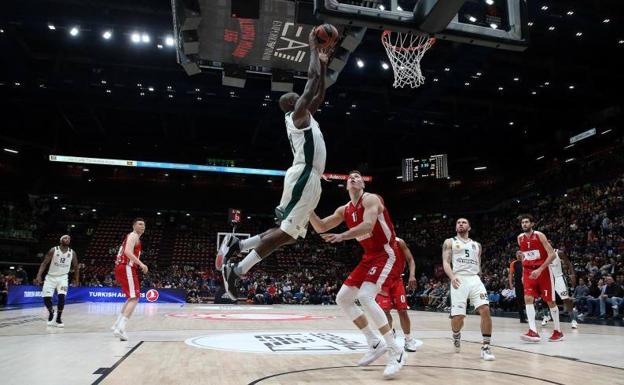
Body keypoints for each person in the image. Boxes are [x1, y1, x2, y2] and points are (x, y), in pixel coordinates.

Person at [217, 30, 329, 301]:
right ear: (293, 103)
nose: (305, 98)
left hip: (310, 177)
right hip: (303, 175)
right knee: (286, 232)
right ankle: (238, 269)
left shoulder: (306, 115)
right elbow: (312, 83)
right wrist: (313, 48)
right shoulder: (298, 116)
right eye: (299, 97)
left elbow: (320, 92)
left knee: (291, 236)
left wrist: (324, 64)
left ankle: (239, 246)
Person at [308, 171, 406, 379]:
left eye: (357, 176)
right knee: (343, 298)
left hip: (386, 253)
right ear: (346, 186)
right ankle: (373, 341)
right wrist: (307, 209)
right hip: (369, 256)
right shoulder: (344, 210)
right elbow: (321, 226)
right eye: (349, 177)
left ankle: (396, 349)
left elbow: (368, 225)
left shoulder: (371, 199)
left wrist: (342, 235)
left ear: (362, 184)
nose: (353, 178)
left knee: (365, 296)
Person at [442, 218, 495, 361]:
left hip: (474, 279)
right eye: (458, 222)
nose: (460, 224)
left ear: (469, 227)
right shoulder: (450, 242)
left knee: (485, 309)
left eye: (464, 222)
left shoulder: (477, 245)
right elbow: (446, 262)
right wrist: (452, 277)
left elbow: (479, 264)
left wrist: (480, 277)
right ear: (455, 227)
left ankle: (486, 347)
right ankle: (456, 334)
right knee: (459, 317)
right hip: (459, 278)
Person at [517, 214, 563, 342]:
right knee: (528, 298)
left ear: (532, 224)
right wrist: (522, 274)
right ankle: (533, 331)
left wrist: (540, 269)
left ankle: (558, 331)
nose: (524, 224)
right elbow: (524, 256)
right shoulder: (520, 238)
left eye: (527, 222)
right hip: (528, 272)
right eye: (522, 223)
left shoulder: (540, 235)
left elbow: (552, 255)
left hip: (543, 271)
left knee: (550, 302)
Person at [375, 237, 419, 352]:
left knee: (403, 311)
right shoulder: (376, 242)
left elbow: (411, 260)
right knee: (384, 312)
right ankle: (390, 335)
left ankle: (408, 339)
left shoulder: (399, 242)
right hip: (382, 282)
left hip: (396, 281)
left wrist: (412, 275)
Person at [111, 218, 148, 341]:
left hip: (121, 267)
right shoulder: (133, 235)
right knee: (135, 298)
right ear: (134, 225)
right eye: (140, 224)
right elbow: (127, 252)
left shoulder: (133, 236)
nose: (142, 226)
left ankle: (117, 324)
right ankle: (120, 328)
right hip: (126, 267)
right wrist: (141, 264)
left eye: (144, 225)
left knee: (131, 297)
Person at [35, 235, 79, 327]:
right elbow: (44, 263)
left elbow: (76, 267)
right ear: (61, 240)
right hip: (50, 277)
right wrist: (39, 275)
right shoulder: (53, 250)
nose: (67, 239)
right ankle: (51, 313)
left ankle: (58, 318)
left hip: (63, 277)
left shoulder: (72, 253)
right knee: (46, 298)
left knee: (62, 297)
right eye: (65, 238)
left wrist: (76, 279)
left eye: (69, 239)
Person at [541, 244, 579, 329]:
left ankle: (573, 319)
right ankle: (546, 316)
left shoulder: (559, 253)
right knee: (544, 298)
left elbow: (568, 263)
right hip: (548, 279)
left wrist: (572, 274)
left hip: (559, 278)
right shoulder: (543, 254)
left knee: (565, 299)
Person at [508, 251, 527, 323]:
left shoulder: (525, 261)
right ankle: (522, 318)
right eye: (517, 253)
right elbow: (510, 274)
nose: (519, 254)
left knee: (527, 300)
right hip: (518, 284)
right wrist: (510, 283)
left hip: (526, 284)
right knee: (520, 301)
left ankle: (530, 316)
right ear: (516, 255)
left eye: (520, 253)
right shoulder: (513, 263)